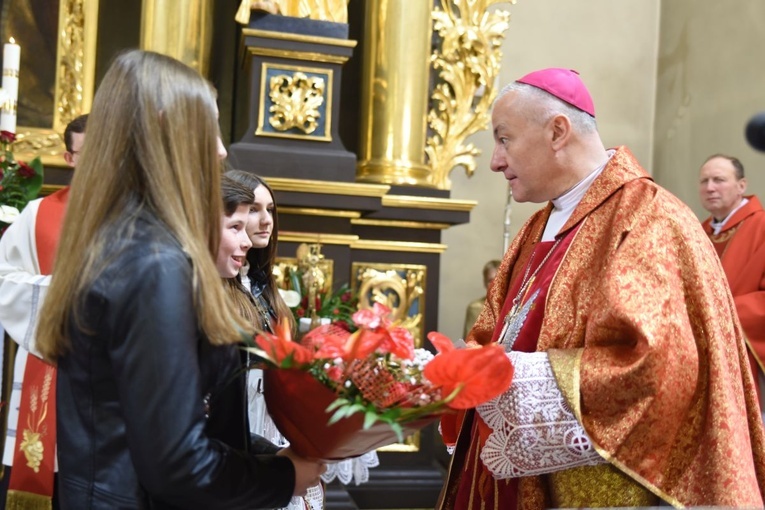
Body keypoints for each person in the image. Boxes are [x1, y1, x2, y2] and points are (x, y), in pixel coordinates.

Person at [437, 68, 765, 509]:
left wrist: (509, 379)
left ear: (557, 131)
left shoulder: (648, 220)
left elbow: (659, 368)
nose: (495, 160)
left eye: (504, 139)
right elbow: (496, 331)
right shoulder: (538, 225)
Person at [34, 49, 325, 509]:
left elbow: (143, 422)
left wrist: (265, 453)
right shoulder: (156, 262)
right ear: (167, 128)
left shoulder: (114, 236)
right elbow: (177, 465)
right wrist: (282, 476)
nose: (221, 150)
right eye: (208, 129)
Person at [0, 113, 87, 508]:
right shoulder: (37, 214)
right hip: (50, 365)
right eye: (87, 153)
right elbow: (4, 281)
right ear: (69, 158)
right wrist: (66, 293)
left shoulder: (137, 213)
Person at [698, 154, 765, 419]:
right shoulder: (698, 231)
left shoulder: (761, 226)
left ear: (741, 186)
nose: (710, 187)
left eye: (719, 180)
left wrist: (723, 312)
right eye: (704, 181)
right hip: (704, 354)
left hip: (746, 355)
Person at [463, 260, 501, 338]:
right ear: (484, 282)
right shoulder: (475, 308)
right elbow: (468, 342)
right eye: (490, 280)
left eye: (497, 280)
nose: (494, 284)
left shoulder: (512, 308)